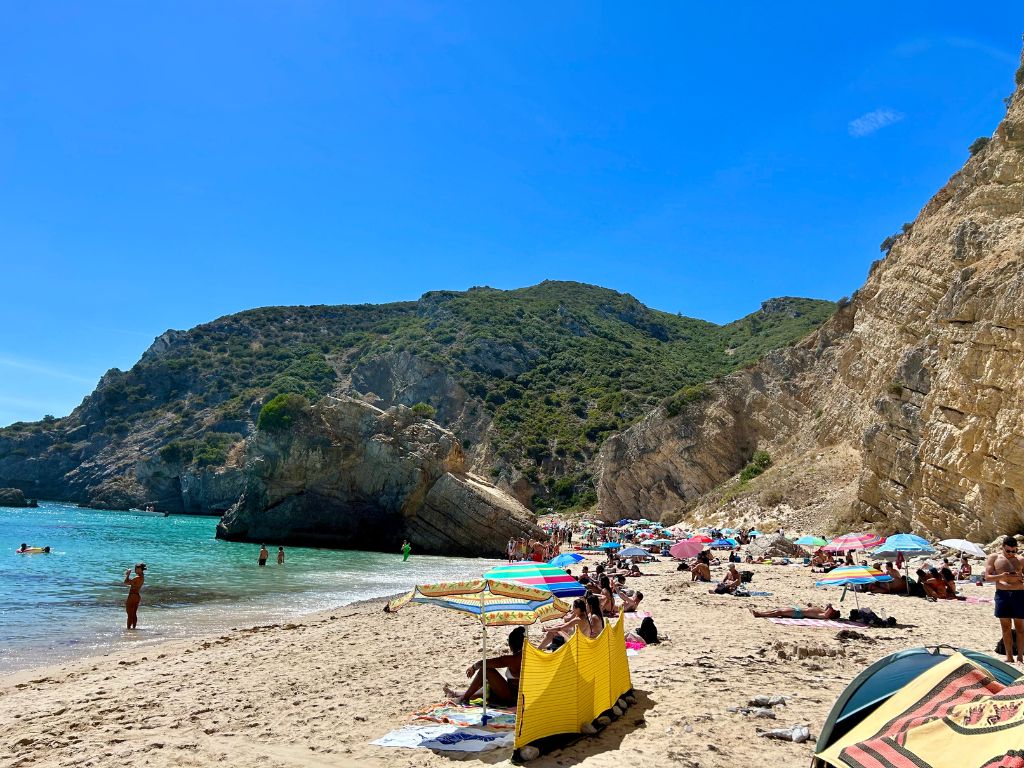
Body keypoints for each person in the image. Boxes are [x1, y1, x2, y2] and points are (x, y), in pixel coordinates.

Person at [444, 627, 525, 706]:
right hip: (520, 696)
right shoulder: (528, 656)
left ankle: (463, 698)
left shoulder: (513, 659)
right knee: (487, 684)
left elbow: (485, 663)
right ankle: (456, 694)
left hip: (513, 699)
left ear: (511, 645)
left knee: (485, 671)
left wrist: (473, 667)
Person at [985, 535, 1024, 663]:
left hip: (1019, 594)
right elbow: (987, 577)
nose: (1011, 554)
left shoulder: (1021, 560)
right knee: (1005, 627)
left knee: (1020, 628)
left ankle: (1019, 656)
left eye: (1014, 551)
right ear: (1002, 548)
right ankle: (1009, 656)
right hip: (1002, 594)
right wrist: (1002, 575)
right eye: (1008, 551)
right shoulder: (994, 558)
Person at [123, 563, 146, 629]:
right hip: (137, 596)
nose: (135, 570)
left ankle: (128, 629)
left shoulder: (137, 578)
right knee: (134, 614)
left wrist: (128, 574)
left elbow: (126, 582)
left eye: (136, 568)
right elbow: (131, 583)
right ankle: (134, 628)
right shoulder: (142, 577)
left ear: (139, 569)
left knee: (129, 614)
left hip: (132, 596)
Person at [750, 603, 840, 620]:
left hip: (799, 613)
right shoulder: (823, 611)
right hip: (798, 609)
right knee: (778, 610)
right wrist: (829, 606)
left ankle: (760, 615)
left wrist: (831, 608)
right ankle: (761, 613)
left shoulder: (824, 615)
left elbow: (828, 610)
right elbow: (828, 606)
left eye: (834, 611)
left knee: (779, 612)